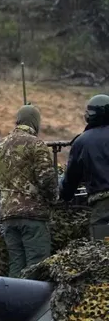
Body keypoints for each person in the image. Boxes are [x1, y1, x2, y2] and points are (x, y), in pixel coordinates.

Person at [0, 105, 56, 277]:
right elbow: (47, 179)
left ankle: (13, 302)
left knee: (16, 266)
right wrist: (54, 200)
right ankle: (32, 304)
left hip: (8, 217)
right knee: (36, 267)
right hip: (33, 217)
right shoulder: (36, 145)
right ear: (35, 122)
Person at [59, 94, 109, 230]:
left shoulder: (82, 142)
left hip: (103, 205)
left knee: (102, 246)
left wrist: (64, 194)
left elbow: (71, 178)